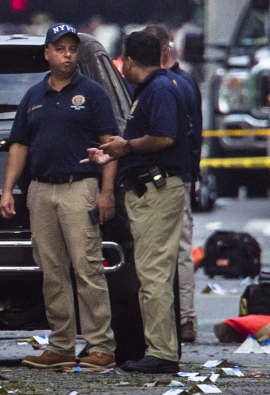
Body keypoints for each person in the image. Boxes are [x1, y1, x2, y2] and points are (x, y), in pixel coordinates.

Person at [0, 23, 119, 371]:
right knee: (52, 271)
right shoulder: (34, 96)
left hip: (80, 187)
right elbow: (19, 144)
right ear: (47, 54)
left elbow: (110, 144)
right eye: (60, 49)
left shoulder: (93, 93)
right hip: (41, 189)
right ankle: (61, 345)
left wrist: (107, 192)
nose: (67, 55)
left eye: (72, 49)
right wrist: (9, 189)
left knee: (87, 268)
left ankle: (100, 346)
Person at [84, 30, 190, 374]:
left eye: (123, 60)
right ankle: (160, 348)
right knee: (153, 272)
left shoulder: (158, 90)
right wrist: (111, 152)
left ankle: (161, 352)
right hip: (151, 189)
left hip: (157, 190)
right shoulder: (157, 88)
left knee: (154, 273)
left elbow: (163, 137)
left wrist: (125, 147)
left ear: (128, 60)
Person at [146, 24, 203, 343]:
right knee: (175, 250)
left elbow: (191, 136)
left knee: (169, 250)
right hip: (178, 175)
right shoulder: (183, 83)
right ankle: (184, 318)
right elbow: (196, 137)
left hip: (169, 174)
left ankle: (181, 319)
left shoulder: (173, 84)